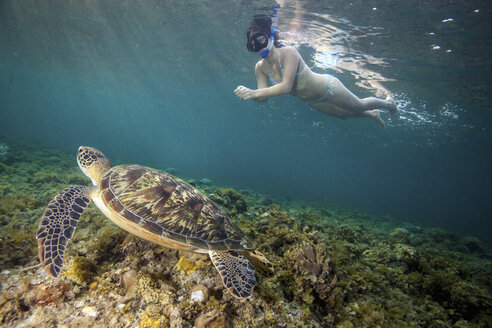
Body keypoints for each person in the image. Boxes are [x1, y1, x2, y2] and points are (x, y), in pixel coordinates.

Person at [234, 15, 397, 127]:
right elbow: (263, 97)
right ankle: (373, 114)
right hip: (313, 100)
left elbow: (286, 87)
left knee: (359, 106)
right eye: (252, 43)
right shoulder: (260, 68)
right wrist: (247, 94)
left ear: (269, 37)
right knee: (343, 115)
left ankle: (389, 104)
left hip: (329, 88)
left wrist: (254, 93)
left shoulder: (289, 52)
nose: (257, 46)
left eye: (260, 39)